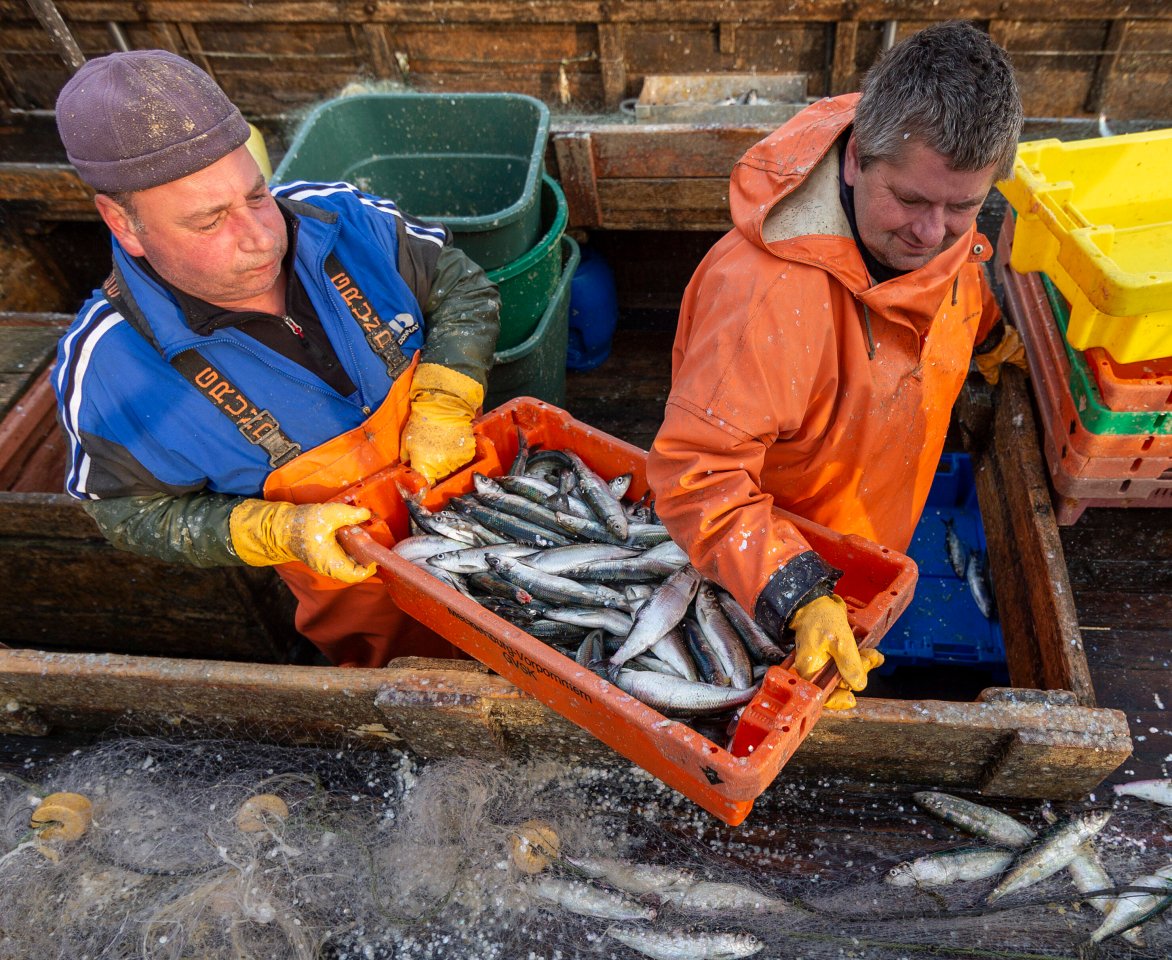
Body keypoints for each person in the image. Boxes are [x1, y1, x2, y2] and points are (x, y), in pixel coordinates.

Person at [52, 50, 500, 668]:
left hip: (495, 522)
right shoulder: (109, 367)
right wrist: (272, 531)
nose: (261, 237)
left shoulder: (340, 216)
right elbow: (132, 514)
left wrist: (446, 400)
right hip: (364, 607)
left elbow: (462, 289)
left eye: (255, 196)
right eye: (209, 222)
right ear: (123, 224)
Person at [646, 21, 1027, 709]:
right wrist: (795, 592)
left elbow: (960, 281)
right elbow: (695, 478)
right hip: (773, 573)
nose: (930, 233)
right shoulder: (761, 298)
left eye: (963, 208)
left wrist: (994, 339)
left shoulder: (945, 237)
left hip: (881, 532)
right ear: (855, 157)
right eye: (909, 200)